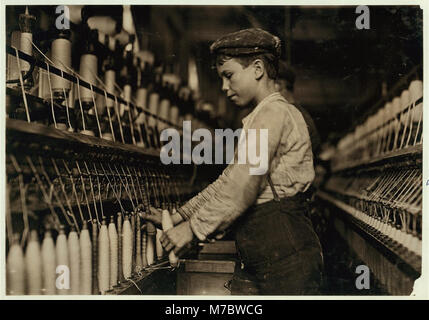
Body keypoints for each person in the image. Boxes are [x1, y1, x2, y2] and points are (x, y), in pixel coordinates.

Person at [142, 28, 323, 295]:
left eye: (229, 76)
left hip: (286, 256)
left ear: (258, 69)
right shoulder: (261, 116)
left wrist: (192, 229)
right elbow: (228, 181)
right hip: (270, 254)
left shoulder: (273, 114)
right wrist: (178, 215)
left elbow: (243, 188)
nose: (224, 88)